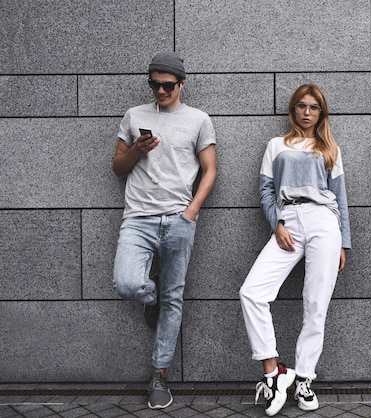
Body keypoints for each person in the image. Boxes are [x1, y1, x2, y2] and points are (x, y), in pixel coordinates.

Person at [111, 52, 217, 410]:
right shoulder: (134, 116)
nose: (160, 90)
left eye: (167, 85)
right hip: (138, 217)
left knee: (175, 297)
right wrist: (137, 150)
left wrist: (191, 212)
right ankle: (148, 293)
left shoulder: (198, 120)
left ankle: (160, 374)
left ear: (181, 84)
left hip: (179, 218)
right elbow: (117, 167)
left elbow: (210, 170)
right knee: (127, 283)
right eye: (154, 84)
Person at [239, 84, 351, 416]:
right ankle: (275, 374)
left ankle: (304, 379)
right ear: (293, 111)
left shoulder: (330, 148)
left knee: (316, 305)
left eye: (314, 107)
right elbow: (265, 190)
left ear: (321, 113)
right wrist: (277, 224)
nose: (306, 112)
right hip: (288, 222)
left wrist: (344, 241)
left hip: (323, 223)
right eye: (301, 106)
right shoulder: (277, 145)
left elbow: (339, 197)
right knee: (252, 292)